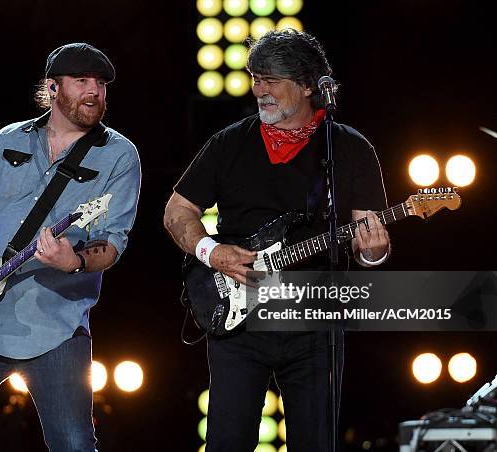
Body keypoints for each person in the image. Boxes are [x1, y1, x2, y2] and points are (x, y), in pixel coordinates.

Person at [164, 30, 390, 451]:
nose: (260, 90)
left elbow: (368, 239)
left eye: (271, 79)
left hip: (315, 324)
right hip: (240, 319)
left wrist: (373, 252)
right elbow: (177, 211)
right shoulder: (230, 142)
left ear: (308, 84)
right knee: (227, 442)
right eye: (256, 78)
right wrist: (212, 253)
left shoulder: (349, 148)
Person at [0, 43, 141, 452]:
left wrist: (73, 261)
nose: (95, 91)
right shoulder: (8, 138)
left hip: (56, 328)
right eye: (82, 81)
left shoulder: (120, 155)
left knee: (75, 446)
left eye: (101, 84)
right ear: (53, 88)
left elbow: (113, 241)